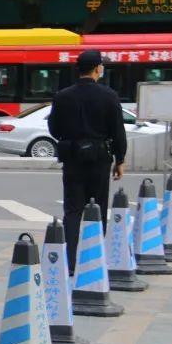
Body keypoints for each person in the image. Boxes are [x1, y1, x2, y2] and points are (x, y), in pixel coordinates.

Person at [48, 49, 127, 270]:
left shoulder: (62, 96)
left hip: (72, 157)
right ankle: (93, 261)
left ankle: (71, 262)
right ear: (96, 68)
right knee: (98, 208)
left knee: (73, 210)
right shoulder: (108, 95)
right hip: (100, 158)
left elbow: (54, 128)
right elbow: (118, 131)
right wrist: (120, 159)